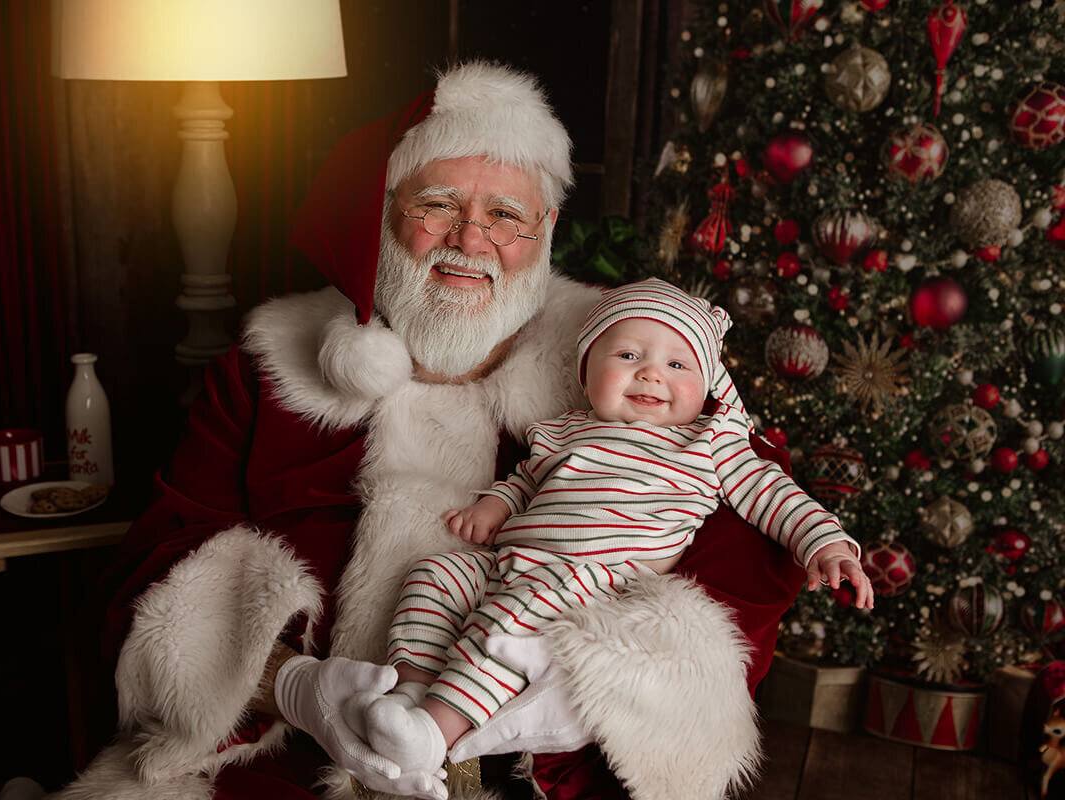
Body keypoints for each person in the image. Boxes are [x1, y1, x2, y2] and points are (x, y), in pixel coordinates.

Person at [54, 62, 809, 800]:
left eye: (506, 215)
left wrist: (596, 694)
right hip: (285, 768)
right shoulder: (266, 369)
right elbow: (155, 561)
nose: (471, 241)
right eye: (436, 206)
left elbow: (755, 527)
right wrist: (289, 685)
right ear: (383, 216)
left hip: (541, 778)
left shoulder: (627, 349)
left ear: (545, 229)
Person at [346, 279, 874, 773]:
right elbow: (525, 482)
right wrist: (493, 508)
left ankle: (436, 732)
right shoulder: (562, 431)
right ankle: (410, 688)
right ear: (586, 369)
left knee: (510, 620)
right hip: (511, 562)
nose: (651, 373)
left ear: (706, 383)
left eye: (677, 363)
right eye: (627, 355)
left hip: (598, 581)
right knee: (435, 574)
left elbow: (773, 495)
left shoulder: (709, 442)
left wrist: (823, 544)